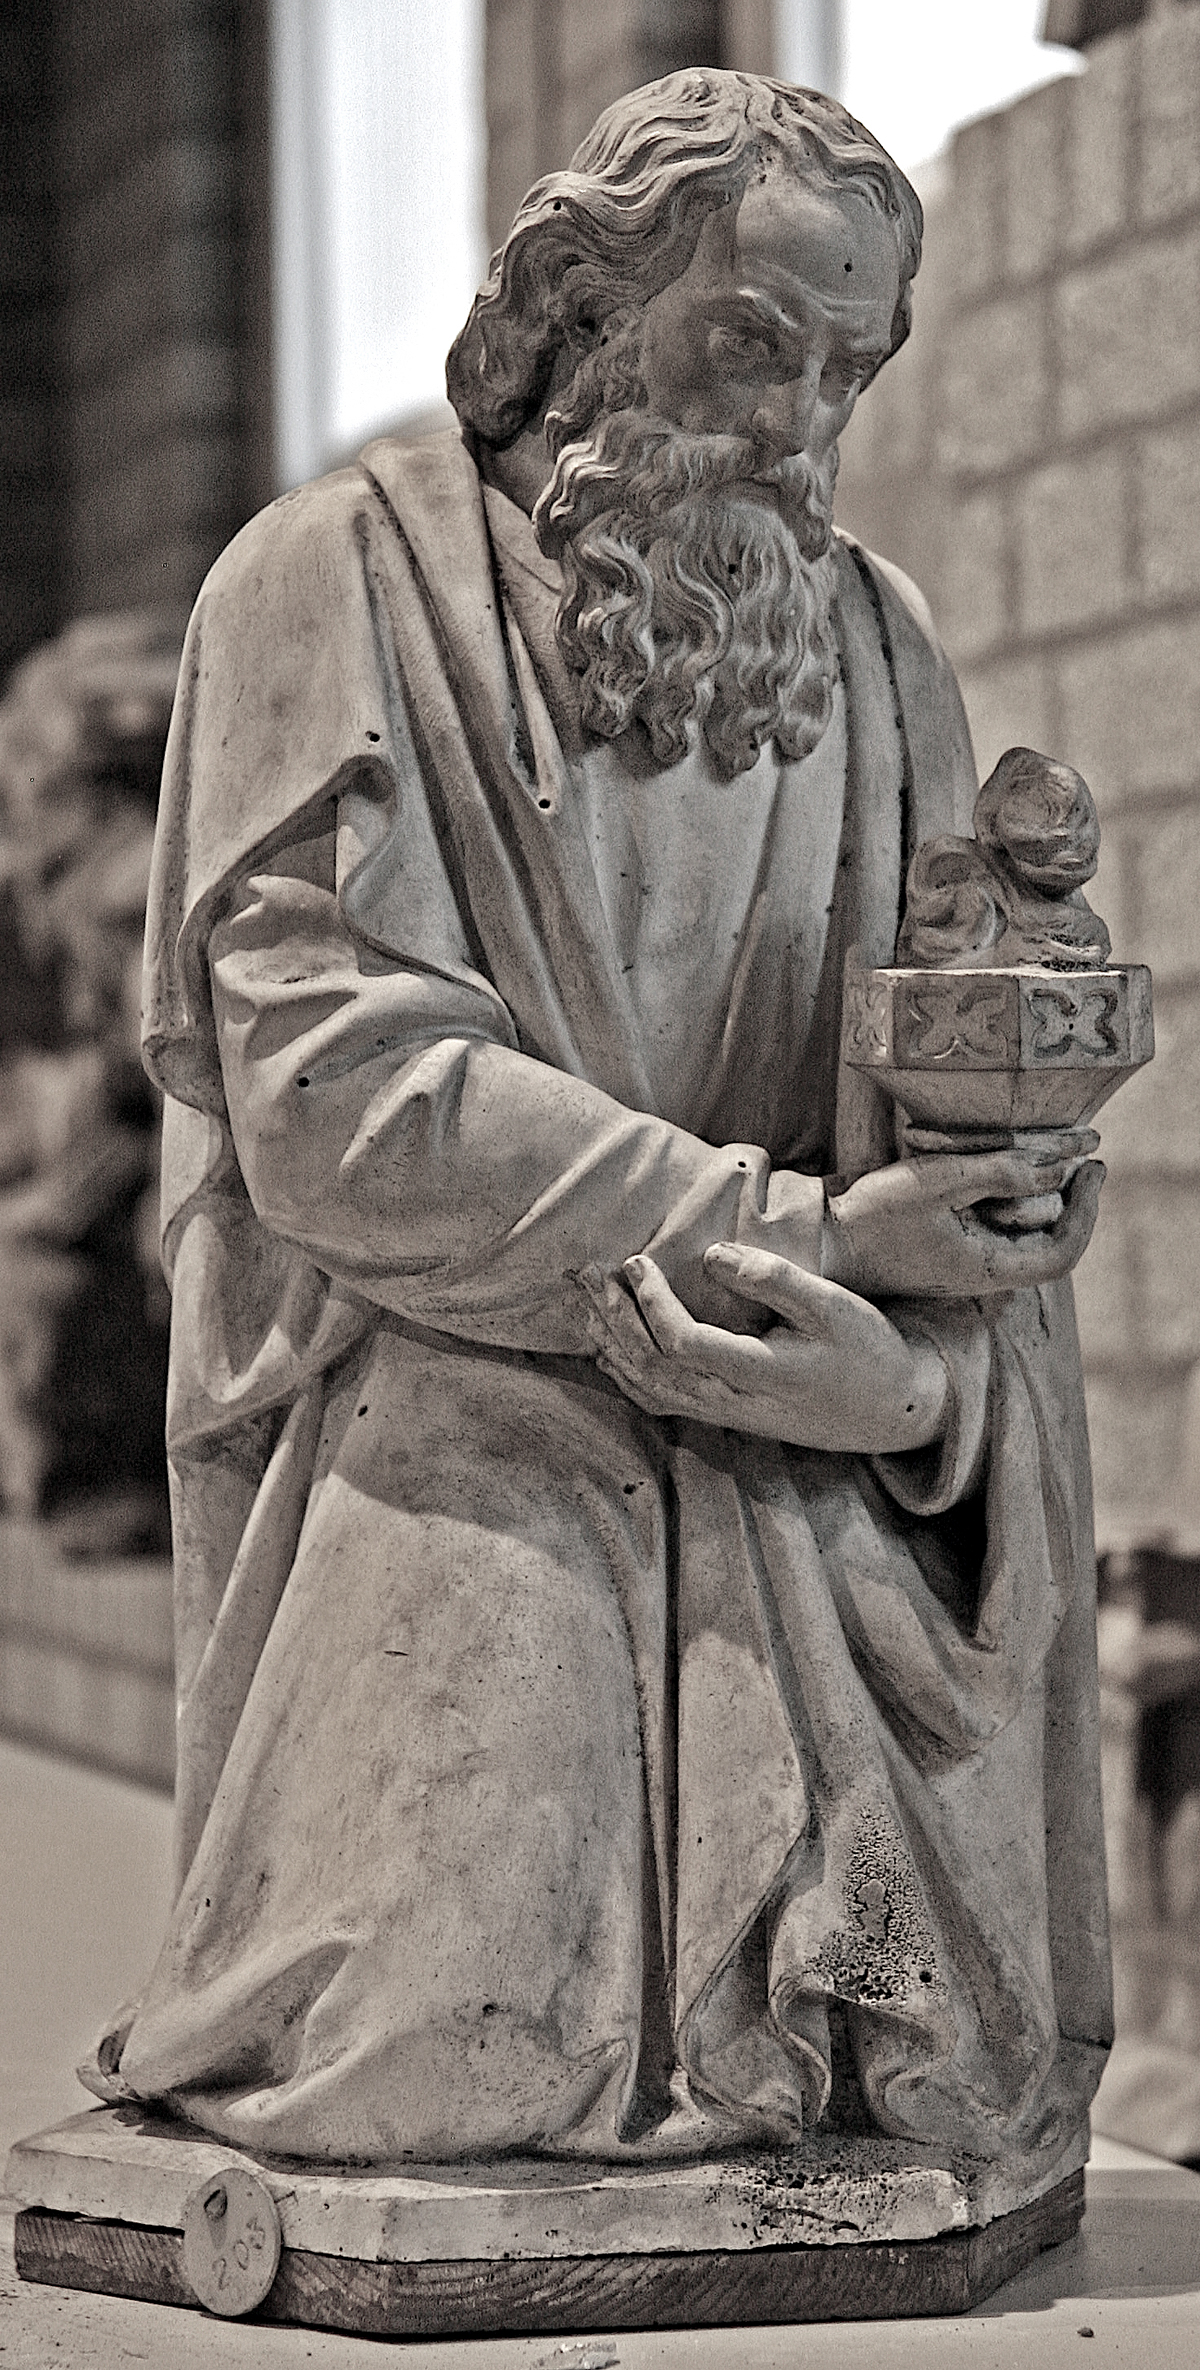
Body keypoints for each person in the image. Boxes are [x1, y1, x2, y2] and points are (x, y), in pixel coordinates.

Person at [87, 74, 1111, 2188]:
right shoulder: (334, 587)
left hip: (809, 1450)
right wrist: (806, 1231)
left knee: (898, 2063)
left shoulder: (876, 648)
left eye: (849, 366)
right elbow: (340, 1104)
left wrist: (916, 1381)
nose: (802, 418)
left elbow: (957, 1138)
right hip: (454, 1397)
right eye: (753, 339)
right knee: (441, 2064)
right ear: (579, 313)